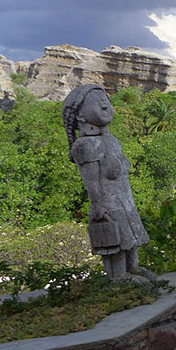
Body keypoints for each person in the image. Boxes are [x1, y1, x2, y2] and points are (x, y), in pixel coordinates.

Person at [62, 84, 150, 280]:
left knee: (130, 237)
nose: (105, 106)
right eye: (96, 102)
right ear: (80, 115)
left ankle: (133, 268)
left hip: (124, 199)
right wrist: (97, 204)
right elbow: (91, 180)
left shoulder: (111, 141)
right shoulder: (85, 145)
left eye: (106, 101)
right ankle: (119, 277)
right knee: (116, 239)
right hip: (107, 203)